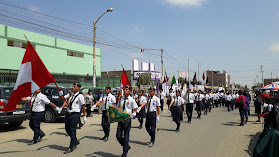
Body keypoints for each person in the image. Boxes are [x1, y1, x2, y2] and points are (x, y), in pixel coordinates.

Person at [59, 82, 86, 154]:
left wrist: (84, 116)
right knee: (67, 129)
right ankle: (75, 140)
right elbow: (62, 99)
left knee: (73, 129)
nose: (72, 88)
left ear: (78, 88)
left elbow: (83, 106)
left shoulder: (80, 96)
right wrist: (60, 94)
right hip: (68, 113)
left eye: (74, 87)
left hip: (75, 114)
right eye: (72, 86)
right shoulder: (70, 94)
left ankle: (71, 146)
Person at [116, 85, 138, 157]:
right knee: (118, 136)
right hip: (120, 119)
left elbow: (135, 109)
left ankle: (124, 153)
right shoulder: (121, 98)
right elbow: (118, 107)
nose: (124, 90)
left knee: (126, 136)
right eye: (124, 89)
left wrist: (134, 114)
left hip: (127, 119)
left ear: (129, 91)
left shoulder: (131, 100)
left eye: (126, 89)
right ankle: (126, 147)